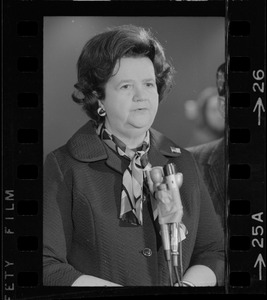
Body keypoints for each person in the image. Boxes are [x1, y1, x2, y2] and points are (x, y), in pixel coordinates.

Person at [43, 24, 225, 287]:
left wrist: (187, 287)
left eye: (149, 84)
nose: (142, 96)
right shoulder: (64, 166)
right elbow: (46, 264)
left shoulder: (183, 160)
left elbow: (214, 253)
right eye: (126, 86)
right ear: (99, 98)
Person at [187, 63, 226, 229]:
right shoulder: (198, 149)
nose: (218, 115)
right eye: (212, 110)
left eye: (220, 109)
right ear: (203, 113)